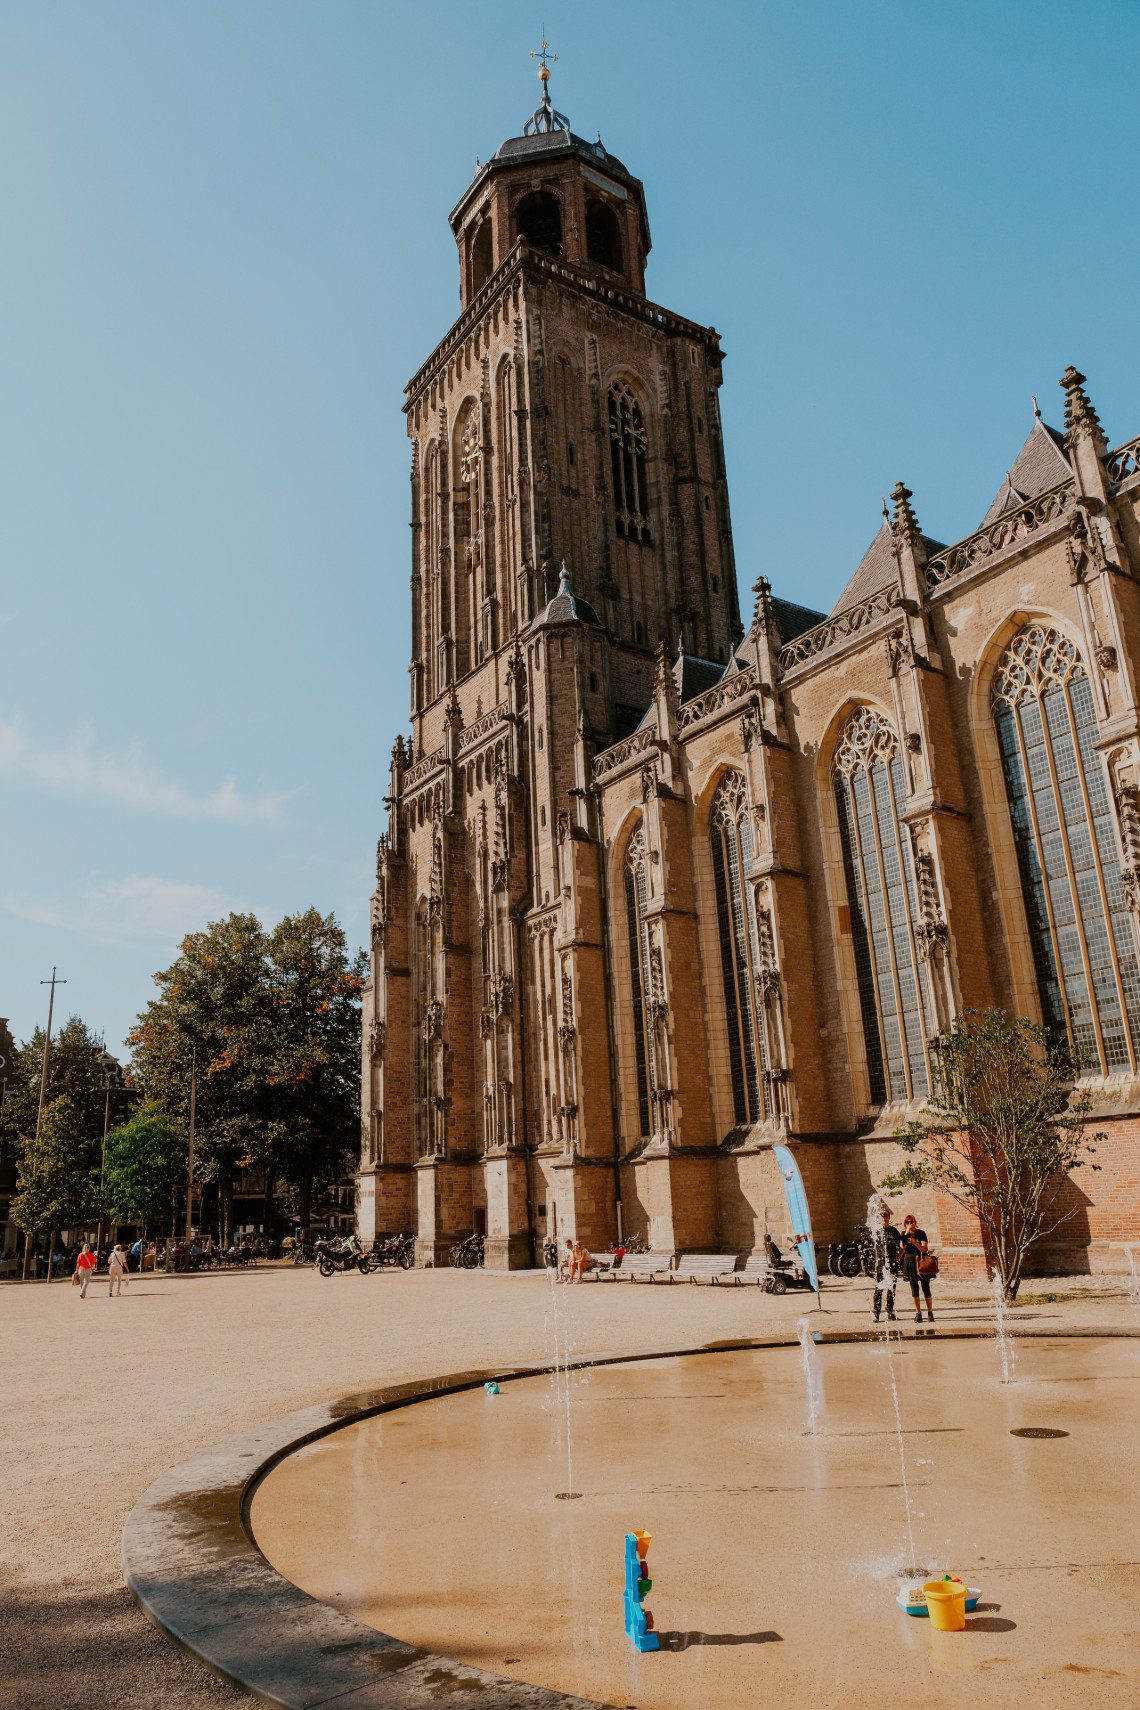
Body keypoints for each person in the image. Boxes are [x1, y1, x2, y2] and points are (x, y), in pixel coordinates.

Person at [900, 1214, 934, 1323]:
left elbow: (924, 1249)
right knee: (914, 1288)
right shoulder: (903, 1234)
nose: (910, 1224)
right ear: (905, 1224)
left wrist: (915, 1242)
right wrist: (907, 1232)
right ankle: (918, 1313)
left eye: (912, 1222)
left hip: (921, 1262)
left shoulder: (921, 1233)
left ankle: (930, 1312)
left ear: (915, 1222)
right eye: (907, 1222)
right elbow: (902, 1246)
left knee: (925, 1287)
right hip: (909, 1262)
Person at [872, 1205, 902, 1322]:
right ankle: (876, 1313)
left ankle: (889, 1311)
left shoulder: (894, 1231)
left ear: (889, 1217)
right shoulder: (877, 1231)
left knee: (891, 1288)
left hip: (892, 1263)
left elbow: (902, 1245)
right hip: (880, 1264)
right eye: (882, 1215)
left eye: (886, 1215)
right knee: (879, 1288)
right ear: (879, 1218)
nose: (884, 1217)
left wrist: (898, 1256)